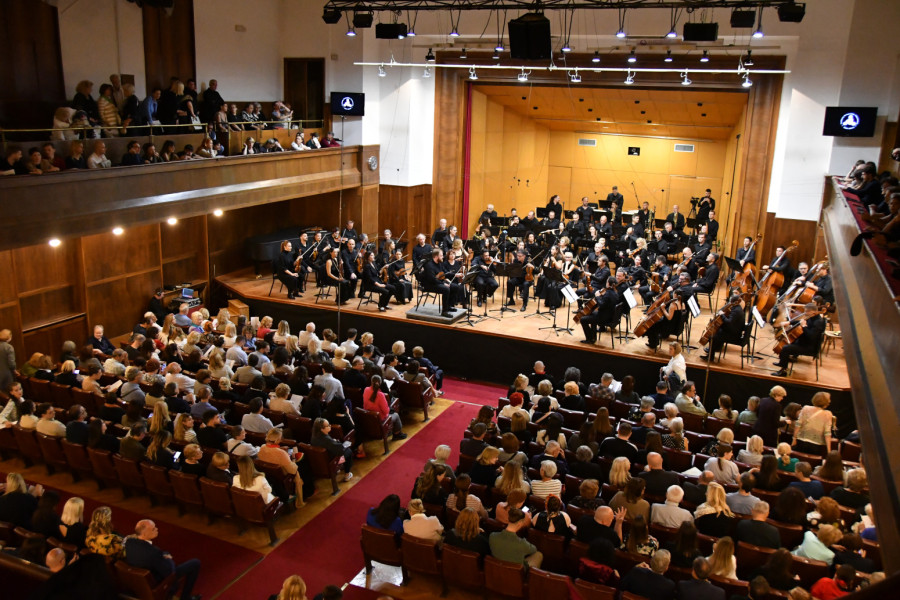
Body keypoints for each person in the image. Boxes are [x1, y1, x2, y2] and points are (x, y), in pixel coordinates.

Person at [125, 520, 201, 600]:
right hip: (158, 582)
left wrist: (162, 554)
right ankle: (185, 598)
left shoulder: (129, 542)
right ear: (144, 533)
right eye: (153, 529)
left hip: (140, 581)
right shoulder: (154, 553)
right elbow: (170, 571)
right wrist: (168, 558)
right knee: (195, 563)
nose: (157, 529)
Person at [773, 303, 826, 377]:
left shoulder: (818, 323)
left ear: (812, 312)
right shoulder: (812, 317)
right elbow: (800, 321)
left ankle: (783, 371)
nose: (805, 313)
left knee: (785, 348)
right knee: (787, 341)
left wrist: (804, 326)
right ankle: (783, 361)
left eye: (806, 312)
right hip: (804, 342)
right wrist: (789, 322)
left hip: (809, 347)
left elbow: (811, 337)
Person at [363, 375, 406, 440]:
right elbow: (386, 411)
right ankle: (397, 434)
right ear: (380, 383)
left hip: (369, 418)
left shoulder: (366, 389)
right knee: (396, 415)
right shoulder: (380, 395)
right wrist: (389, 407)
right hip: (381, 419)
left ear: (371, 382)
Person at [311, 418, 353, 482]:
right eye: (328, 425)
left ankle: (342, 466)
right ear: (322, 429)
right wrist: (342, 444)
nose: (330, 426)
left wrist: (334, 442)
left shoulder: (314, 436)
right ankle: (347, 474)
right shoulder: (326, 439)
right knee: (348, 451)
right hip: (332, 462)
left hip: (321, 462)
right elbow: (340, 450)